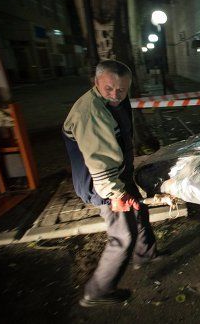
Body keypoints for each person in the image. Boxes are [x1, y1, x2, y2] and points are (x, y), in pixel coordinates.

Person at [63, 60, 160, 307]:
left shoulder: (114, 100)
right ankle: (97, 291)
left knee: (139, 211)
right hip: (102, 182)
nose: (115, 95)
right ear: (96, 82)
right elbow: (99, 163)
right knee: (122, 235)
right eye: (109, 89)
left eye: (121, 90)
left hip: (119, 174)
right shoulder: (91, 113)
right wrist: (115, 194)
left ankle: (145, 254)